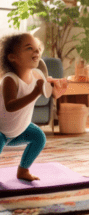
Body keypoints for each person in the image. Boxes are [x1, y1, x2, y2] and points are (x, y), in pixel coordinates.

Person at [0, 33, 68, 181]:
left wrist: (57, 91)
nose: (36, 51)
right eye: (29, 48)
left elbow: (49, 91)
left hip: (19, 129)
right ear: (13, 57)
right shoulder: (10, 80)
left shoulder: (37, 74)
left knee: (39, 138)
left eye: (37, 48)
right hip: (1, 131)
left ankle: (23, 170)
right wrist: (35, 93)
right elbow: (10, 106)